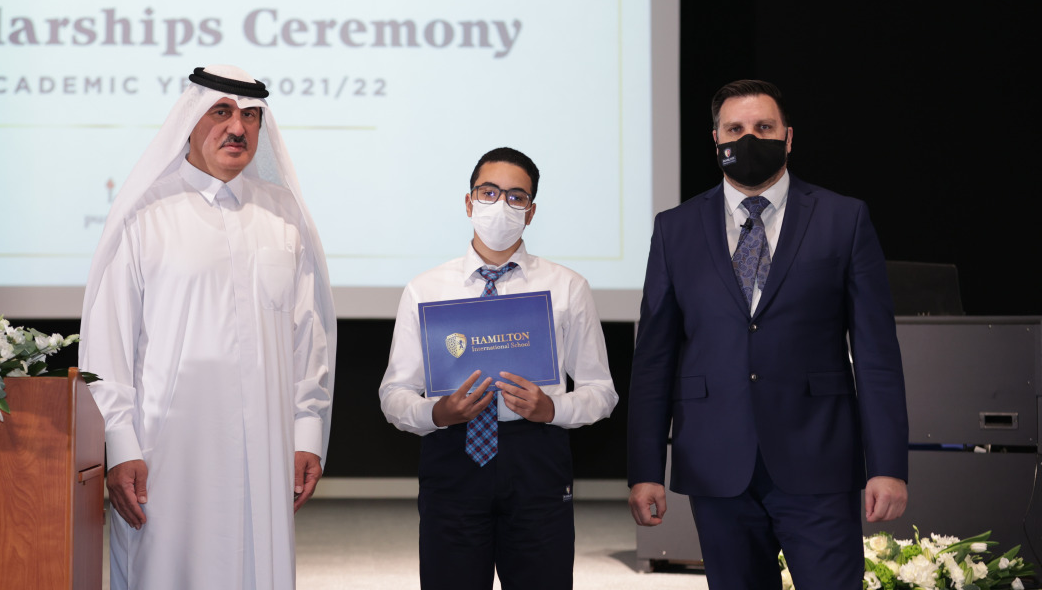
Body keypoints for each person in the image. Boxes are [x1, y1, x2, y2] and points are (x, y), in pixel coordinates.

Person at [627, 79, 909, 589]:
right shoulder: (675, 228)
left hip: (819, 459)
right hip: (716, 463)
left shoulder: (844, 218)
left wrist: (887, 465)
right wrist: (644, 469)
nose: (749, 138)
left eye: (764, 127)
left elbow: (877, 355)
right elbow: (653, 359)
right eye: (735, 128)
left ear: (789, 137)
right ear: (715, 139)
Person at [79, 65, 336, 590]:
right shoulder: (144, 214)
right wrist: (120, 445)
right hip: (167, 454)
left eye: (250, 117)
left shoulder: (284, 215)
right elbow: (108, 345)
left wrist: (306, 431)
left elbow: (308, 338)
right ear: (191, 121)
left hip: (266, 449)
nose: (237, 128)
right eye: (221, 112)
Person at [379, 147, 618, 590]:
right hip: (452, 457)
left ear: (530, 213)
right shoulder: (425, 289)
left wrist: (553, 409)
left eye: (515, 197)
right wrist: (438, 414)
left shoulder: (567, 287)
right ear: (469, 203)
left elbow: (601, 391)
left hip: (536, 457)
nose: (500, 205)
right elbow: (394, 395)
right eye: (489, 192)